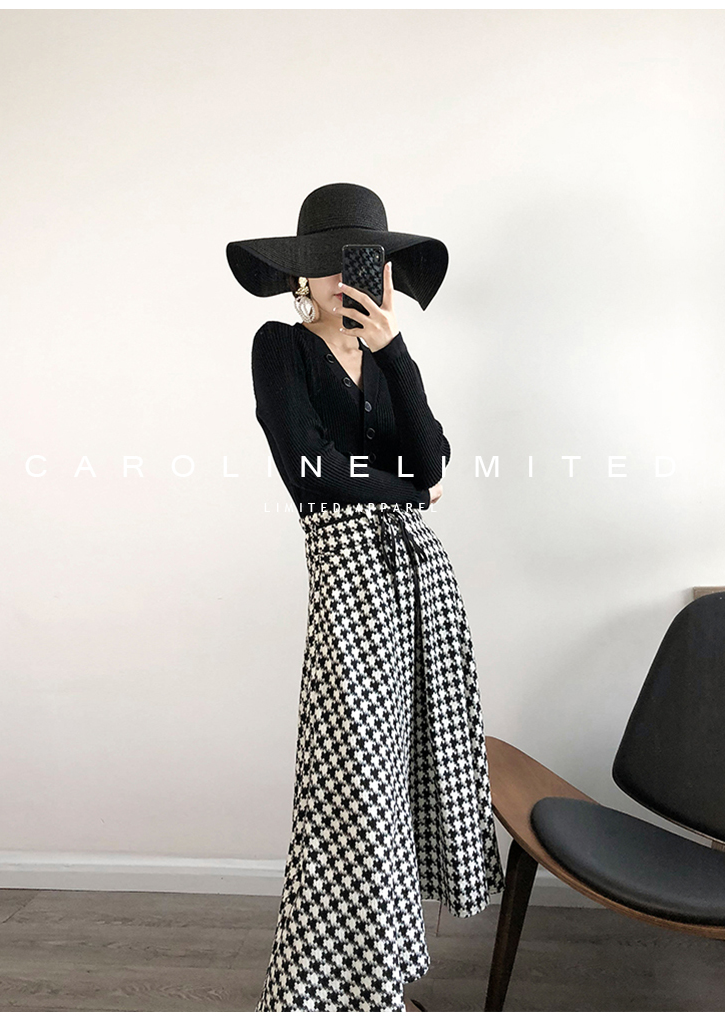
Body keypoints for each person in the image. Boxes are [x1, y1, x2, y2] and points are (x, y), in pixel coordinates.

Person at [227, 183, 505, 1013]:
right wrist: (410, 490)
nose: (350, 278)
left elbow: (433, 453)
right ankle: (324, 990)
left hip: (422, 582)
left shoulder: (388, 355)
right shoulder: (279, 347)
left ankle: (383, 978)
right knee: (352, 783)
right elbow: (308, 465)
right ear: (301, 277)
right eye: (331, 264)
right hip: (350, 581)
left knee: (413, 770)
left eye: (365, 263)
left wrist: (396, 353)